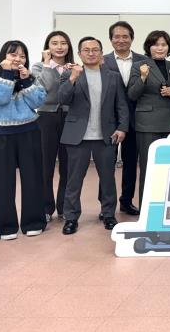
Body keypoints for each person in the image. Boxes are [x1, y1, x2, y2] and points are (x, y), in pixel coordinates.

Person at [58, 37, 128, 235]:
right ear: (79, 54)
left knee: (108, 179)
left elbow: (121, 105)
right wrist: (72, 78)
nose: (91, 53)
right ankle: (71, 218)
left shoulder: (113, 76)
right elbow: (62, 99)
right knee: (74, 180)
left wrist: (122, 128)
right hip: (77, 136)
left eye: (95, 49)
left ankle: (108, 214)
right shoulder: (70, 74)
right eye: (86, 50)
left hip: (106, 136)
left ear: (101, 52)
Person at [0, 40, 47, 240]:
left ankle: (34, 222)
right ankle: (6, 227)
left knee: (33, 178)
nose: (17, 59)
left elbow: (39, 101)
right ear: (3, 57)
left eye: (22, 56)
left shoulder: (28, 77)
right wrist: (7, 75)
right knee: (1, 182)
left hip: (28, 131)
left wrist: (26, 81)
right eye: (13, 54)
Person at [126, 30, 170, 206]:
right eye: (156, 44)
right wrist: (143, 77)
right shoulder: (139, 65)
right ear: (149, 47)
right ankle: (146, 207)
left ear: (169, 47)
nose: (160, 48)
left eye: (164, 44)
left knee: (169, 168)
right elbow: (132, 94)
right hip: (148, 123)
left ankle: (166, 205)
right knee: (149, 167)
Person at [31, 31, 74, 221]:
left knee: (67, 165)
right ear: (47, 46)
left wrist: (72, 73)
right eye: (54, 43)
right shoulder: (39, 67)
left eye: (63, 43)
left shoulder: (73, 67)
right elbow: (44, 87)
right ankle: (46, 208)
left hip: (69, 117)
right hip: (45, 117)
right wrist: (47, 64)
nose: (59, 47)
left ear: (68, 46)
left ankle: (64, 207)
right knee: (45, 165)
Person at [103, 21, 145, 215]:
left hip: (136, 120)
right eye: (117, 36)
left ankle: (126, 202)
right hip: (109, 121)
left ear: (132, 39)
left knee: (130, 164)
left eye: (125, 36)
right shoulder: (102, 61)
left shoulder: (143, 60)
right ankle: (105, 205)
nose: (121, 40)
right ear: (111, 39)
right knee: (106, 165)